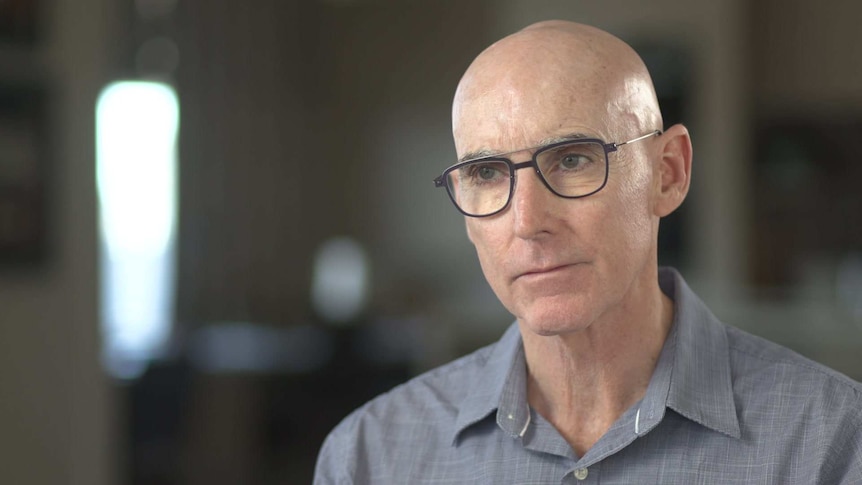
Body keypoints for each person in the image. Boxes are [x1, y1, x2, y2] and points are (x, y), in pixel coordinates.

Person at [314, 20, 862, 483]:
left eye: (572, 160)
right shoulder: (369, 460)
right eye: (485, 172)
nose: (527, 222)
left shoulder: (830, 446)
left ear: (667, 173)